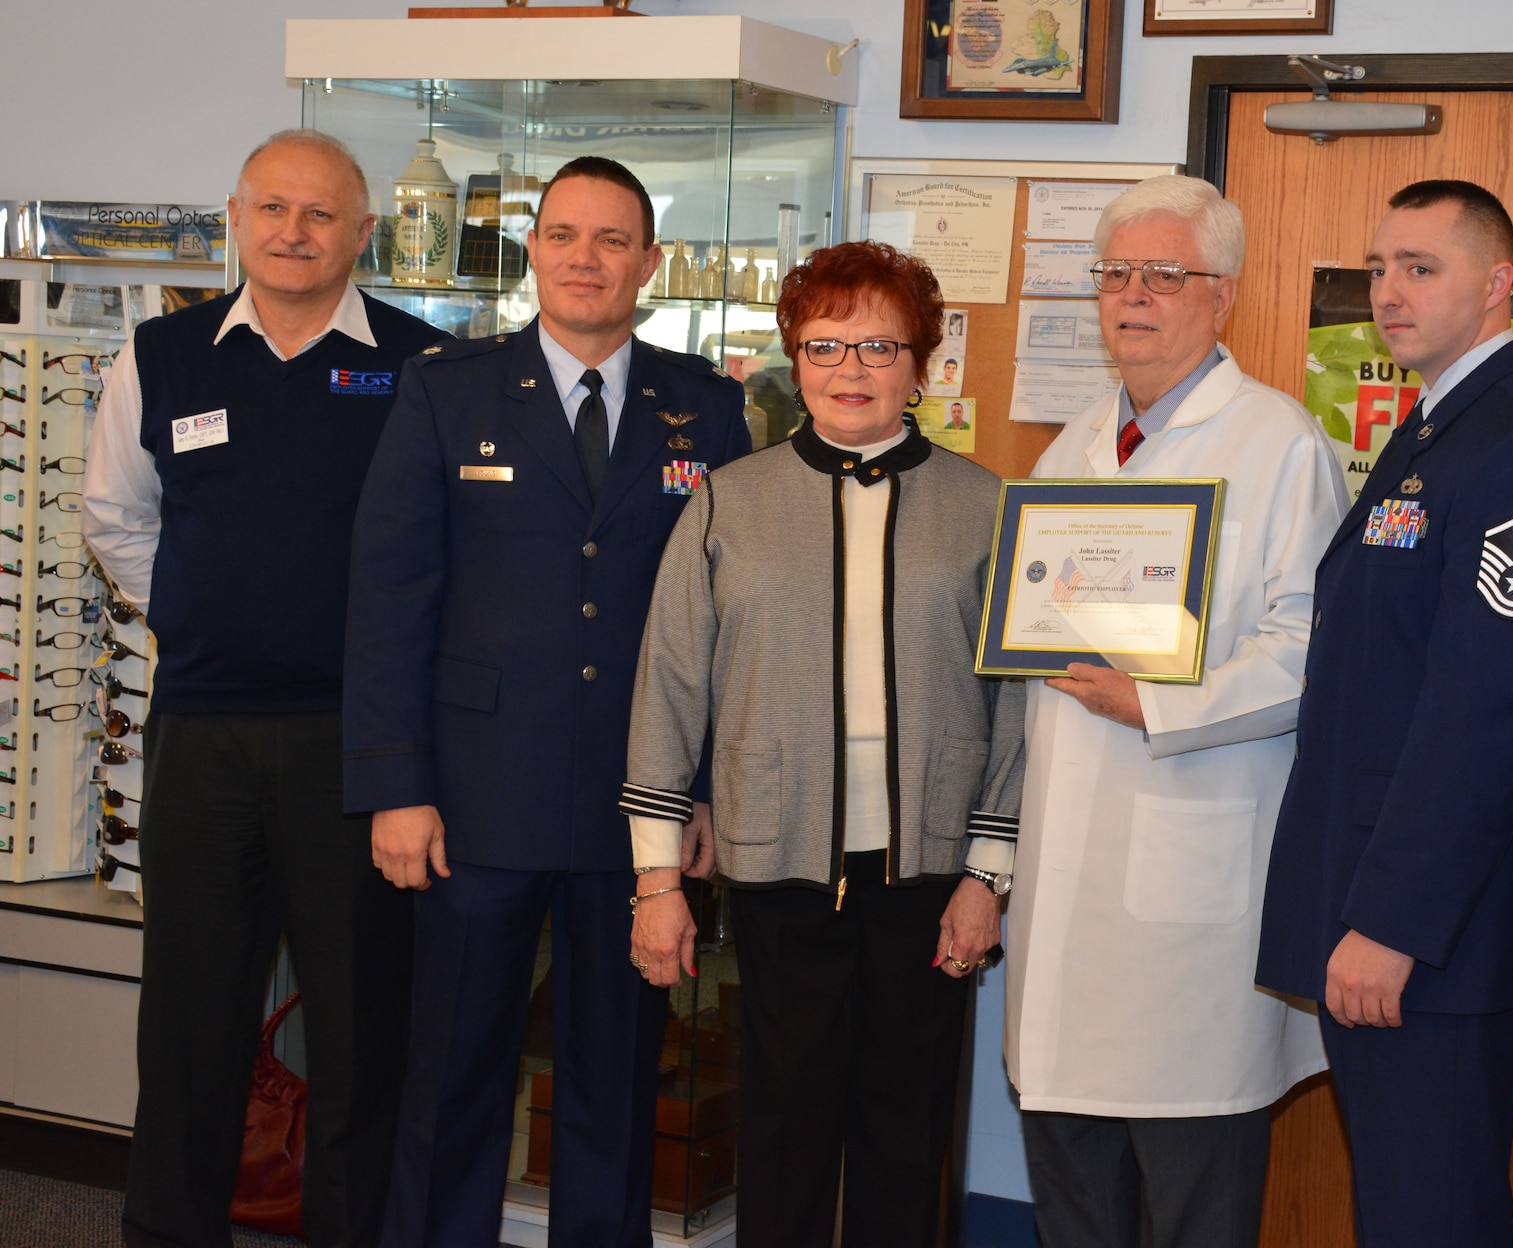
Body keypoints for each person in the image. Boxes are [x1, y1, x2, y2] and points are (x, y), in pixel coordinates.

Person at [342, 155, 750, 1247]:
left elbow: (729, 622)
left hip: (637, 808)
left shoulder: (703, 410)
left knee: (614, 1081)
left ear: (649, 262)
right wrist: (394, 785)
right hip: (473, 799)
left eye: (612, 240)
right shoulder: (448, 388)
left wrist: (702, 793)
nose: (586, 259)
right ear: (533, 251)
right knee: (453, 1074)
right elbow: (390, 596)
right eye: (565, 235)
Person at [79, 129, 447, 1248]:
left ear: (363, 233)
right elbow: (114, 521)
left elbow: (447, 552)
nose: (294, 232)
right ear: (235, 218)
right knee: (189, 1026)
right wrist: (205, 618)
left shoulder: (422, 367)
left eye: (321, 213)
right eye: (272, 209)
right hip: (202, 738)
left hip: (361, 750)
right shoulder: (162, 355)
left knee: (357, 1034)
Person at [621, 239, 1025, 1247]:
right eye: (826, 345)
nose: (851, 371)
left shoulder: (986, 508)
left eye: (879, 347)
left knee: (906, 1127)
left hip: (929, 873)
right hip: (776, 867)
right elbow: (667, 689)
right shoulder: (727, 501)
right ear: (792, 359)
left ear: (921, 365)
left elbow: (1019, 706)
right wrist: (656, 880)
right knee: (784, 1127)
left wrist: (989, 872)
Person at [1256, 180, 1513, 1247]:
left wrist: (1393, 922)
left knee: (1431, 1215)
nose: (1387, 292)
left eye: (1419, 267)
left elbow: (1486, 711)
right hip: (1387, 910)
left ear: (1497, 285)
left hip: (1428, 934)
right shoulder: (1435, 427)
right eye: (1376, 267)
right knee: (1408, 1209)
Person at [1002, 174, 1340, 1248]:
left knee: (1191, 1194)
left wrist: (1154, 703)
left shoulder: (1279, 443)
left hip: (1189, 888)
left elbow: (1307, 650)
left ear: (1222, 297)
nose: (1132, 295)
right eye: (1113, 275)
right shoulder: (1069, 447)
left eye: (1163, 274)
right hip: (1064, 888)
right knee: (1072, 1190)